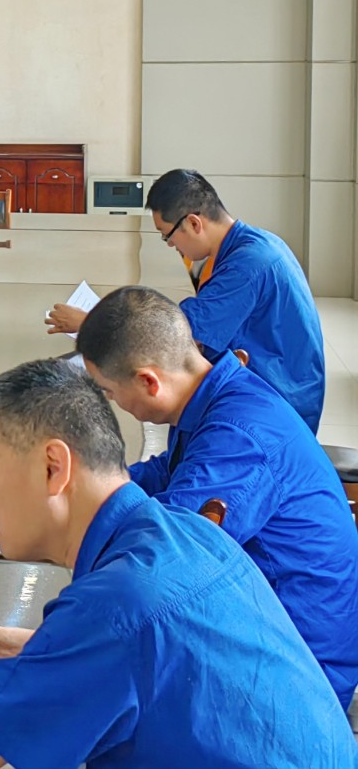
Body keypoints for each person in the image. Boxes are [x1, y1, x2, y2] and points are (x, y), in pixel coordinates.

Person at [0, 358, 355, 769]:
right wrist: (13, 645)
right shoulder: (184, 533)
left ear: (54, 467)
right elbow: (158, 656)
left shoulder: (113, 604)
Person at [77, 286, 358, 704]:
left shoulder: (240, 437)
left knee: (94, 685)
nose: (114, 402)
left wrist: (67, 523)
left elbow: (162, 556)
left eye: (110, 392)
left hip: (300, 675)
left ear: (148, 381)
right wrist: (84, 487)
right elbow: (167, 474)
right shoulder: (216, 395)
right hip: (275, 633)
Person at [47, 169, 324, 432]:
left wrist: (90, 323)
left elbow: (177, 332)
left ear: (193, 223)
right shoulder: (254, 243)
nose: (170, 244)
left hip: (278, 403)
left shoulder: (247, 265)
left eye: (167, 235)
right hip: (283, 383)